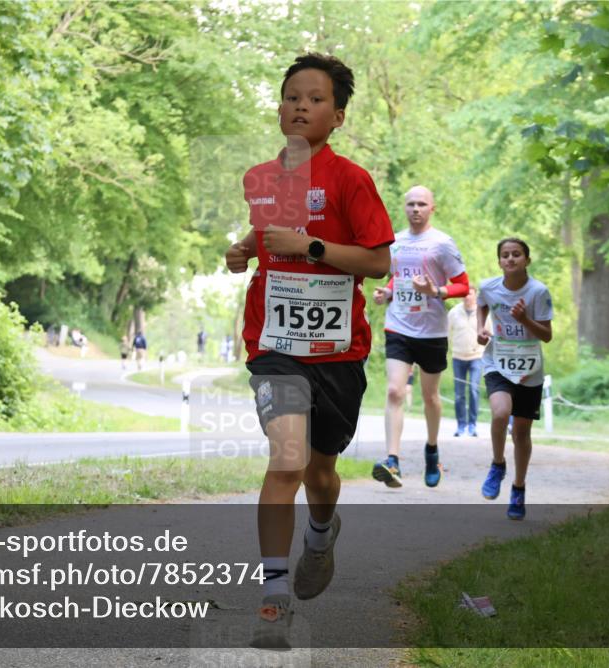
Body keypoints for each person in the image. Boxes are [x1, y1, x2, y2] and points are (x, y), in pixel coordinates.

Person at [224, 52, 393, 649]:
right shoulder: (261, 178)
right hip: (274, 344)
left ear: (338, 116)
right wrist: (245, 249)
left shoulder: (351, 181)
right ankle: (274, 600)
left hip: (338, 351)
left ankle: (321, 535)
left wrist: (311, 246)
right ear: (278, 109)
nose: (301, 105)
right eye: (292, 95)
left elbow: (377, 261)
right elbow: (266, 226)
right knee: (286, 461)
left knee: (321, 473)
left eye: (315, 98)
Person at [371, 185, 470, 489]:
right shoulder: (395, 242)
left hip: (432, 331)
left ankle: (431, 450)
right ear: (404, 208)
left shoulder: (442, 244)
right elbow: (396, 278)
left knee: (429, 397)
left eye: (421, 204)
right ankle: (392, 461)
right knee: (394, 391)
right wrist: (386, 292)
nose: (415, 209)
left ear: (432, 208)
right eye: (411, 204)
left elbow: (464, 285)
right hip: (398, 324)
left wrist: (436, 291)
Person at [476, 238, 553, 520]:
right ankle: (498, 464)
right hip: (497, 360)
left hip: (529, 367)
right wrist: (480, 329)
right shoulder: (488, 286)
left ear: (526, 260)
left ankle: (518, 488)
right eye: (505, 255)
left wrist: (524, 320)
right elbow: (481, 304)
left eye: (516, 254)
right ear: (499, 262)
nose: (510, 259)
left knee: (521, 433)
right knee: (500, 412)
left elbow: (546, 335)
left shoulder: (538, 292)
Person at [448, 287, 486, 437]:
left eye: (469, 293)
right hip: (458, 357)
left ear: (475, 295)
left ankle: (472, 425)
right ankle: (461, 425)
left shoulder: (482, 312)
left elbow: (490, 333)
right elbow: (447, 333)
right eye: (464, 294)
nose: (467, 297)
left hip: (477, 357)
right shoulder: (454, 312)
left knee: (474, 390)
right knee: (459, 394)